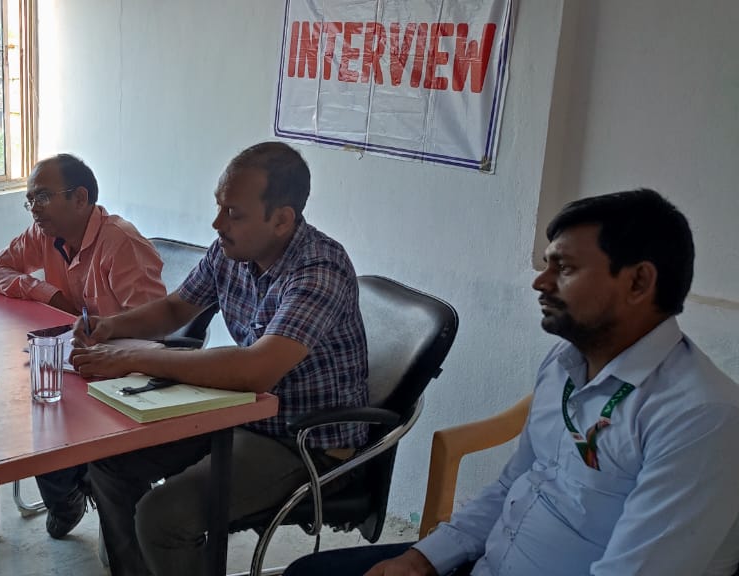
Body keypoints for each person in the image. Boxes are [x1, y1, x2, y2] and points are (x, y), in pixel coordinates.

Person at [285, 189, 739, 576]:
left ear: (639, 282)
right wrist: (424, 558)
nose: (541, 282)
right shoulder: (564, 362)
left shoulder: (699, 417)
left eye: (564, 268)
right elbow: (513, 483)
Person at [70, 141, 370, 576]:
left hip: (304, 442)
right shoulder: (231, 251)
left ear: (282, 220)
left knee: (163, 517)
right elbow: (176, 309)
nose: (217, 223)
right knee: (110, 462)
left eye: (234, 213)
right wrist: (110, 327)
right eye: (219, 206)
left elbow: (256, 371)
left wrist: (135, 357)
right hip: (237, 415)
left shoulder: (319, 269)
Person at [0, 153, 167, 538]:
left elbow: (153, 328)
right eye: (30, 199)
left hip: (122, 369)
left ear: (80, 198)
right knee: (33, 399)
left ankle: (100, 491)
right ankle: (67, 495)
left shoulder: (121, 243)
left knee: (53, 404)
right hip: (73, 362)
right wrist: (48, 294)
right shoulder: (44, 234)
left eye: (43, 197)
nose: (34, 208)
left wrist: (104, 343)